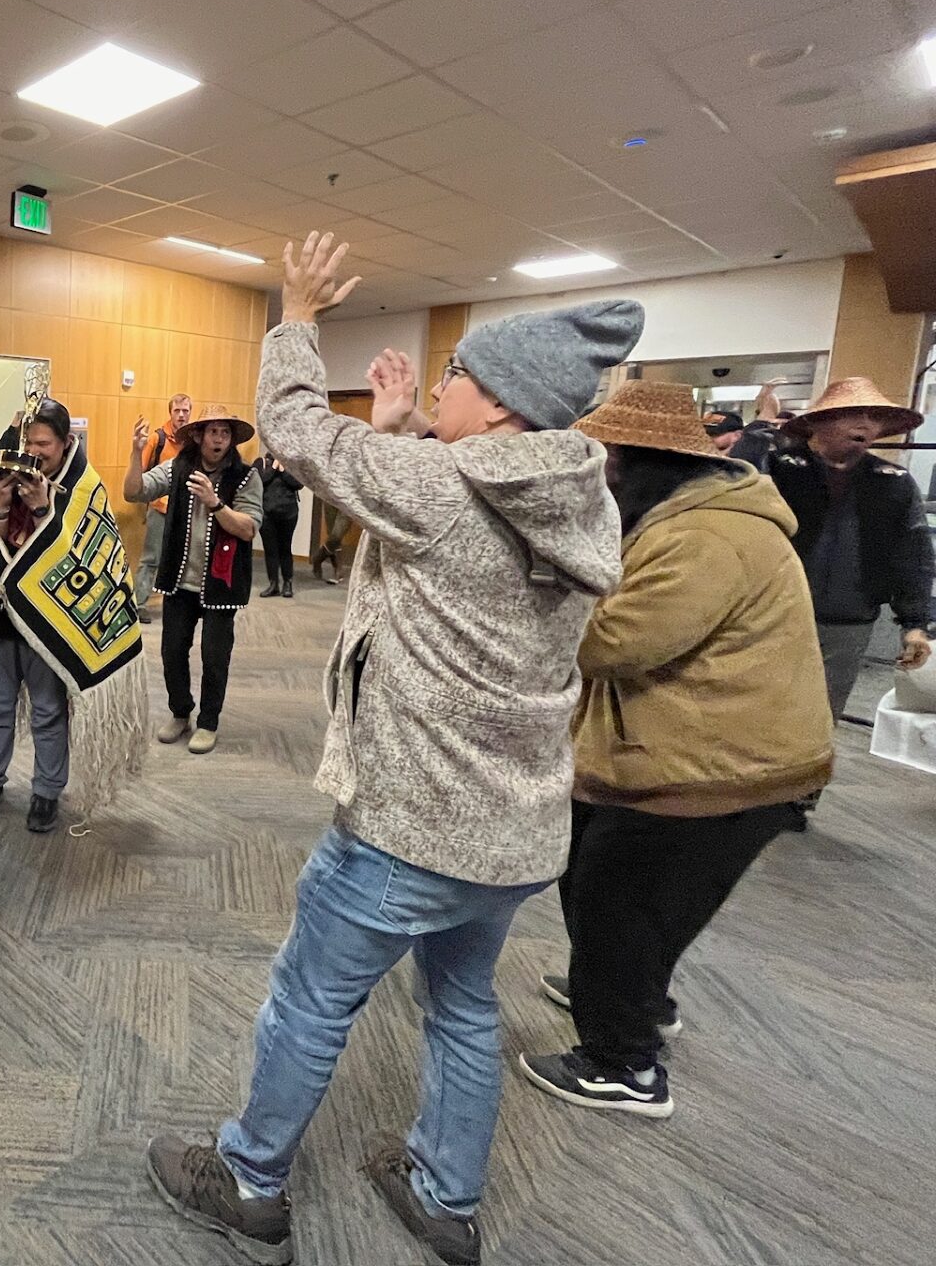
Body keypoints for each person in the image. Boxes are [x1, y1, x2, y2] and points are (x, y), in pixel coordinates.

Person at [145, 233, 641, 1266]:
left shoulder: (439, 487)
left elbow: (290, 426)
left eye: (457, 373)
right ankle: (445, 1196)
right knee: (462, 1007)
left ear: (499, 405)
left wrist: (297, 310)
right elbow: (461, 515)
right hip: (514, 830)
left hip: (407, 826)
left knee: (309, 1000)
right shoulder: (581, 497)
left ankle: (249, 1179)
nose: (441, 383)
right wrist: (416, 425)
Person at [517, 382, 832, 1120]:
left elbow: (616, 641)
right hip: (697, 752)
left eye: (606, 461)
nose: (596, 476)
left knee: (616, 899)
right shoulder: (682, 519)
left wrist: (546, 590)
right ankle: (628, 994)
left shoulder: (705, 536)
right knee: (617, 890)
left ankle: (623, 1064)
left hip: (714, 768)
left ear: (642, 461)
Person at [0, 397, 148, 834]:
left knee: (48, 711)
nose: (35, 451)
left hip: (52, 623)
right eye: (30, 441)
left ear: (66, 443)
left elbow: (87, 556)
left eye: (44, 443)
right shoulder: (5, 473)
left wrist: (43, 509)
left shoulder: (85, 487)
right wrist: (0, 504)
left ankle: (46, 791)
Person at [767, 378, 932, 734]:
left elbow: (914, 553)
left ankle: (805, 791)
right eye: (852, 414)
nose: (865, 424)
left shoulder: (893, 480)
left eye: (874, 417)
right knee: (759, 711)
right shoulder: (777, 468)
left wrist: (915, 625)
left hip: (849, 622)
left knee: (820, 722)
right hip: (771, 616)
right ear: (817, 422)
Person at [124, 405, 263, 754]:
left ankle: (209, 722)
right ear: (199, 436)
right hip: (179, 583)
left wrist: (215, 503)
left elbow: (248, 529)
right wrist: (134, 452)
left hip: (221, 584)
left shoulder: (245, 477)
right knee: (172, 652)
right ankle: (180, 712)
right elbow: (133, 491)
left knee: (215, 657)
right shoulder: (178, 468)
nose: (219, 439)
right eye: (213, 431)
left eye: (225, 433)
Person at [132, 393, 192, 622]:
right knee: (151, 559)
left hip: (184, 510)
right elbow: (142, 474)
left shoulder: (193, 441)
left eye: (185, 411)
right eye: (177, 411)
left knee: (182, 558)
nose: (181, 415)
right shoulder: (157, 439)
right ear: (170, 413)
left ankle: (178, 602)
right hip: (159, 509)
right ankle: (139, 604)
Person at [255, 452, 302, 598]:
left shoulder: (292, 464)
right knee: (270, 550)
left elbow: (298, 484)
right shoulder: (260, 462)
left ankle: (288, 584)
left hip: (289, 513)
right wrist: (274, 468)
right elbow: (257, 481)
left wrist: (283, 470)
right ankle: (273, 584)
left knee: (285, 548)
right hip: (266, 514)